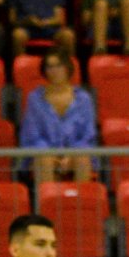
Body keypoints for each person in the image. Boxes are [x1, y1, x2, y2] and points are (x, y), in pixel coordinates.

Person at [18, 46, 97, 185]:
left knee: (82, 158)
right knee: (45, 159)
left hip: (76, 153)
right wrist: (51, 155)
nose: (54, 71)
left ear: (67, 68)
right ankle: (48, 199)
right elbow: (31, 135)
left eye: (59, 66)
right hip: (43, 154)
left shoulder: (83, 99)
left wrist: (71, 155)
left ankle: (81, 199)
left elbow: (87, 135)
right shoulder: (35, 98)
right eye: (49, 67)